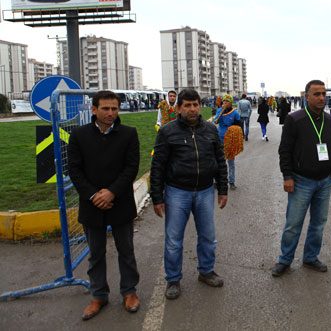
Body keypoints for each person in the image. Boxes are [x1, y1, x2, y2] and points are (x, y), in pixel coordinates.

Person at [67, 90, 141, 320]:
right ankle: (98, 295)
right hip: (91, 205)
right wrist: (93, 195)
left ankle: (129, 291)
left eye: (114, 109)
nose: (110, 113)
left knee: (126, 251)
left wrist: (111, 193)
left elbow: (131, 167)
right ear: (94, 109)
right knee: (96, 253)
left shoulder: (129, 134)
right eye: (106, 108)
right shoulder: (78, 135)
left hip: (120, 202)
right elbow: (75, 170)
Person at [150, 88, 228, 300]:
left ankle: (206, 271)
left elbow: (220, 161)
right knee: (174, 239)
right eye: (187, 105)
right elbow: (157, 165)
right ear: (178, 108)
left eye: (195, 104)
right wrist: (157, 197)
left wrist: (223, 189)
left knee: (208, 237)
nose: (192, 109)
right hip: (177, 192)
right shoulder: (167, 132)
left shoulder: (210, 130)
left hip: (205, 191)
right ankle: (173, 279)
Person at [271, 80, 331, 277]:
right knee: (293, 224)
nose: (321, 97)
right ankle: (285, 260)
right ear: (306, 96)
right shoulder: (294, 119)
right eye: (316, 94)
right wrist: (287, 176)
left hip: (324, 181)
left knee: (318, 223)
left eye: (324, 93)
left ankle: (311, 257)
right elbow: (284, 150)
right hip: (301, 180)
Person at [213, 94, 243, 190]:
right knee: (219, 161)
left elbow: (239, 126)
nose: (225, 103)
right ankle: (217, 181)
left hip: (230, 140)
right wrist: (220, 111)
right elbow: (215, 122)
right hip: (219, 139)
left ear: (230, 103)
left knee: (231, 162)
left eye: (227, 102)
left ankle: (232, 181)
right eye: (224, 101)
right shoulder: (219, 110)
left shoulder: (235, 113)